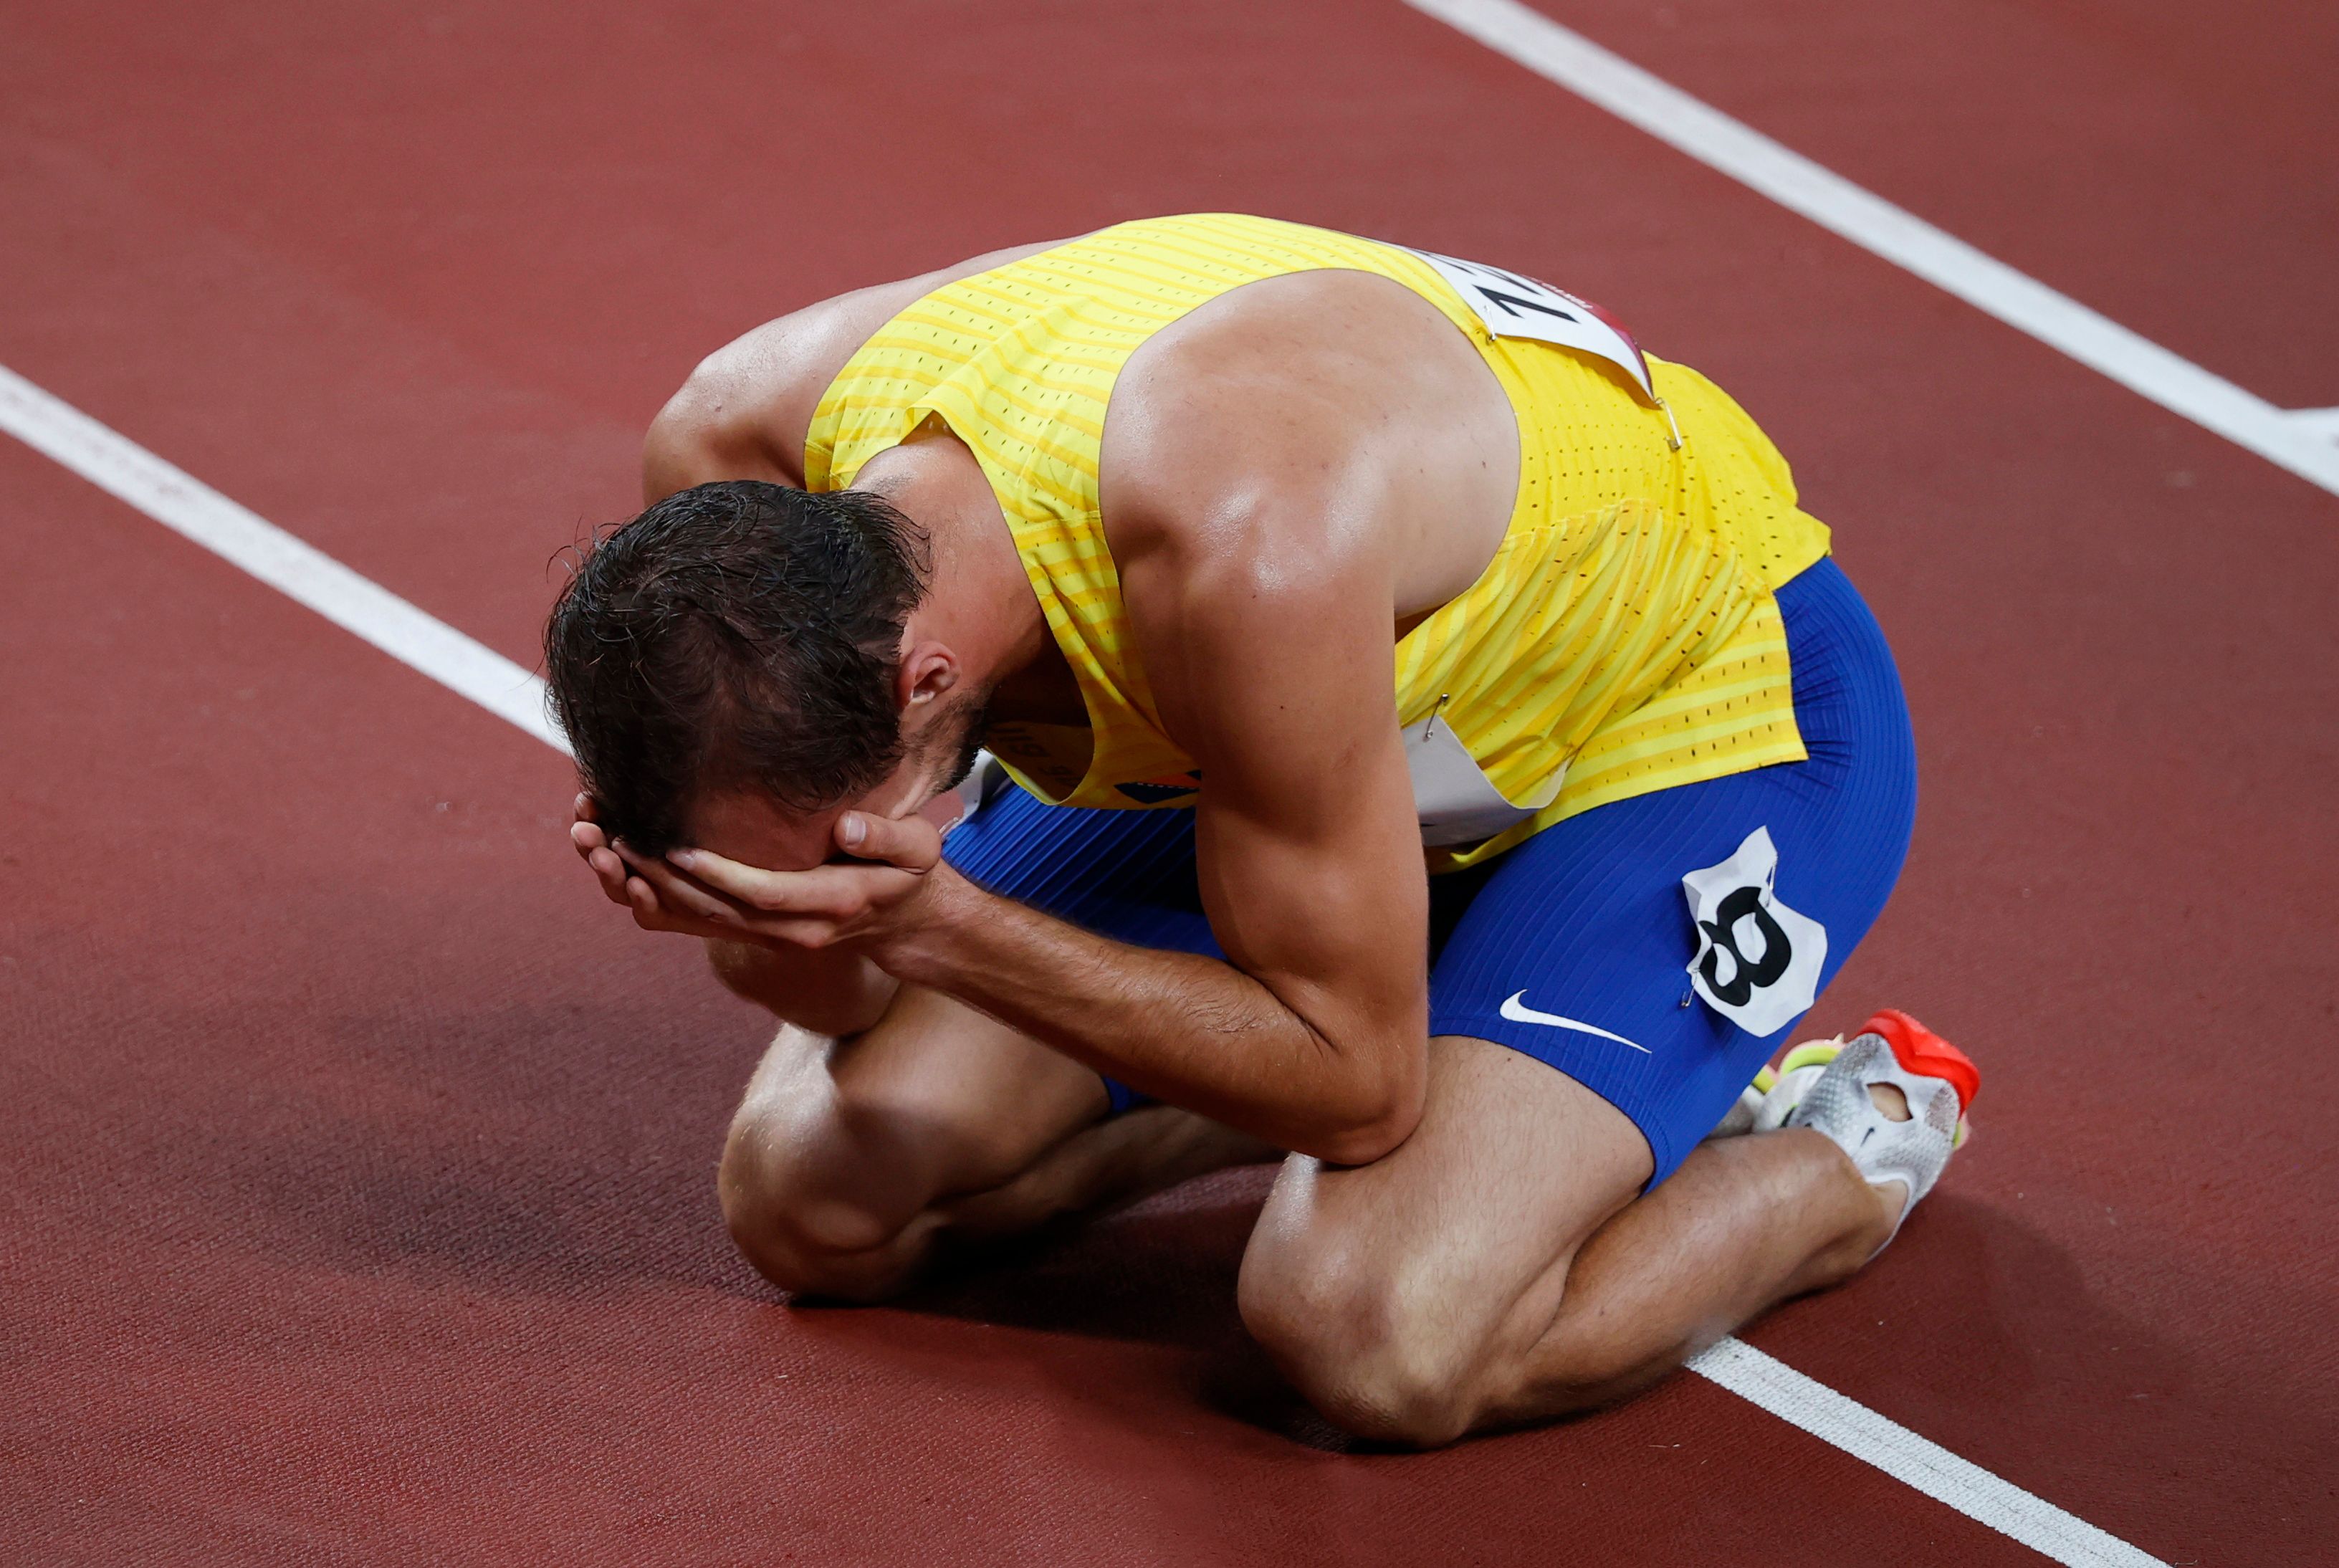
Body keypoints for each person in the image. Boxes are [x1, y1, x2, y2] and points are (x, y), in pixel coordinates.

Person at [544, 213, 1978, 1446]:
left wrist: (942, 923)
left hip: (1685, 711)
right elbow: (845, 988)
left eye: (836, 834)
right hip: (1332, 743)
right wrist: (756, 917)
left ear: (926, 679)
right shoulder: (736, 455)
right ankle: (1413, 1008)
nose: (840, 862)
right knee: (813, 1193)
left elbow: (1356, 1088)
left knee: (1372, 1329)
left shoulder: (1243, 544)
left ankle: (1835, 1160)